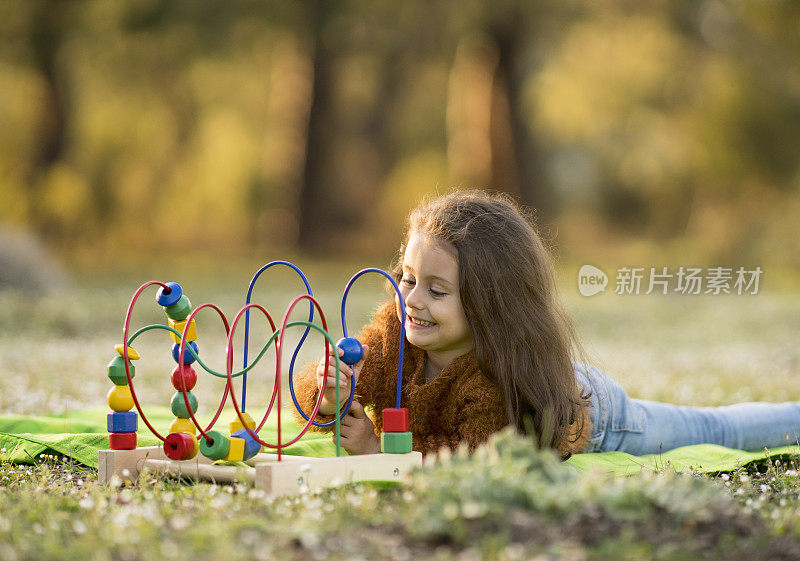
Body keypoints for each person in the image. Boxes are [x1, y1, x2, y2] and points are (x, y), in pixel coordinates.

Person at [292, 190, 800, 458]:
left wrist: (380, 450)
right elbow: (307, 400)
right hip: (544, 379)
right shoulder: (393, 337)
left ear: (492, 305)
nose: (412, 300)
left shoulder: (491, 384)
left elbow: (471, 459)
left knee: (711, 429)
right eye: (406, 278)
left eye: (437, 290)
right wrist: (329, 389)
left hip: (584, 409)